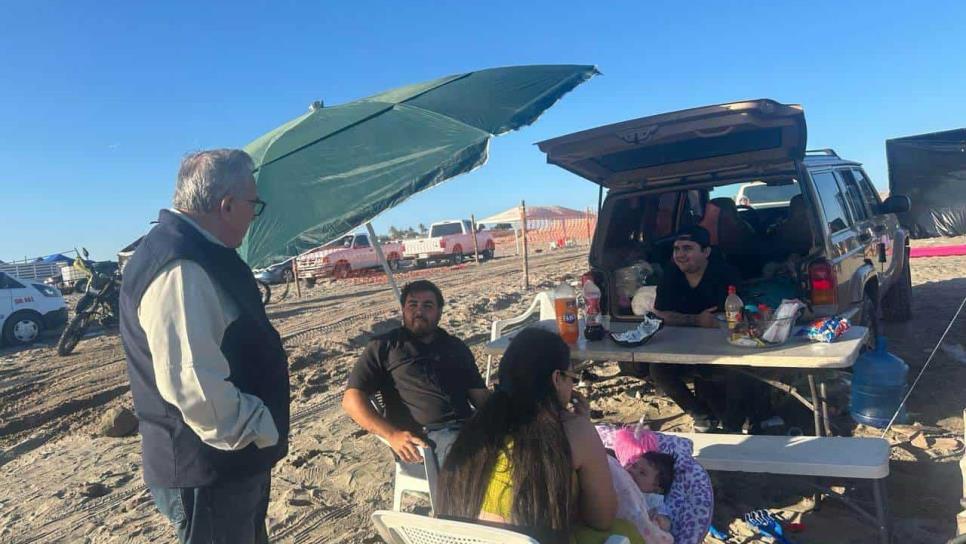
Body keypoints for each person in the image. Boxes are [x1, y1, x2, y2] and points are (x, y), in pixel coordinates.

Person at [120, 149, 288, 544]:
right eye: (254, 205)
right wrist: (259, 425)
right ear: (226, 205)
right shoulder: (182, 265)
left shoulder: (196, 252)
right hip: (211, 467)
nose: (254, 214)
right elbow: (192, 382)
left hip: (224, 463)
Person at [436, 327, 643, 544]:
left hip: (468, 539)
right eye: (572, 378)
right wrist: (583, 426)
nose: (573, 387)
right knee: (626, 531)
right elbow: (601, 519)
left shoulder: (478, 427)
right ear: (556, 378)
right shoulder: (574, 430)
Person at [342, 280, 489, 465]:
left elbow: (481, 398)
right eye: (413, 305)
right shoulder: (385, 346)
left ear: (439, 312)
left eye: (428, 305)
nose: (419, 312)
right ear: (403, 310)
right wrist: (392, 435)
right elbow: (351, 400)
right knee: (480, 460)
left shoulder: (455, 347)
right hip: (423, 440)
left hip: (466, 429)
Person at [649, 225, 763, 432]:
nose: (680, 255)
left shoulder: (725, 273)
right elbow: (659, 314)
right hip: (682, 344)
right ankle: (702, 417)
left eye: (687, 248)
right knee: (658, 369)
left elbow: (739, 316)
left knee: (741, 370)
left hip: (724, 345)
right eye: (676, 249)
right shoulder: (671, 273)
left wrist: (711, 322)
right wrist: (696, 320)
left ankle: (732, 426)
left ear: (706, 252)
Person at [612, 428, 674, 533]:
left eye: (642, 473)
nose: (633, 471)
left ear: (657, 488)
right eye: (634, 465)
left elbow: (666, 519)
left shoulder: (653, 499)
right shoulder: (621, 477)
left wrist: (662, 522)